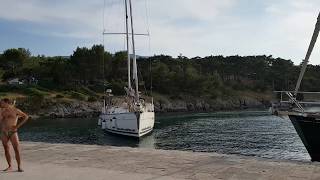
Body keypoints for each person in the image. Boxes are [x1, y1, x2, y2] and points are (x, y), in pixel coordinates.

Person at [0, 98, 29, 172]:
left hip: (12, 132)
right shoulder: (1, 110)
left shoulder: (16, 110)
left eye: (2, 103)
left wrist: (17, 126)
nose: (1, 104)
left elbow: (26, 117)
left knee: (16, 149)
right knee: (6, 149)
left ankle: (19, 167)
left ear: (7, 103)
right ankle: (10, 166)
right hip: (3, 132)